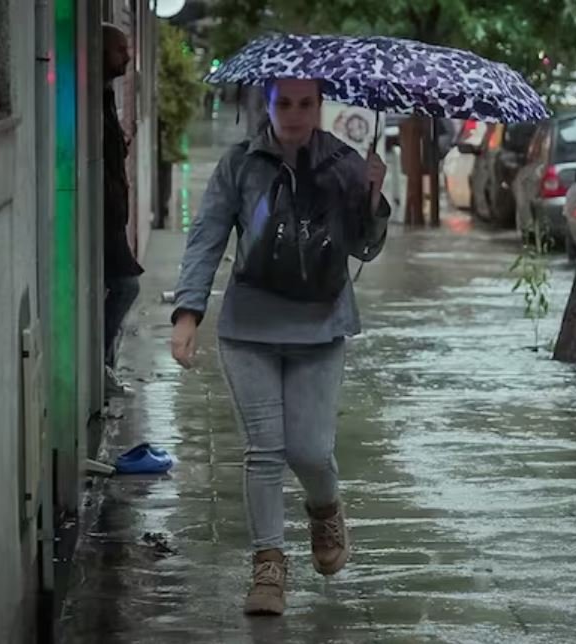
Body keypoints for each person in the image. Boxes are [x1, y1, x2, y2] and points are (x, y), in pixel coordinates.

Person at [170, 77, 390, 617]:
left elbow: (366, 246)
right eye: (283, 103)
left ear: (319, 107)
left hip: (320, 327)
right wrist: (187, 312)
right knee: (264, 451)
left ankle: (326, 509)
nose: (294, 114)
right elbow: (207, 234)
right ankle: (268, 565)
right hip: (249, 328)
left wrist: (371, 195)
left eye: (306, 104)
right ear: (265, 105)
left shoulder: (342, 162)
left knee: (310, 451)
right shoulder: (241, 163)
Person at [102, 23, 143, 396]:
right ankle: (100, 364)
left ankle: (105, 367)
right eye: (120, 50)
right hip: (100, 218)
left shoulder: (104, 97)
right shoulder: (90, 100)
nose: (128, 57)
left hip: (112, 214)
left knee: (117, 287)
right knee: (126, 286)